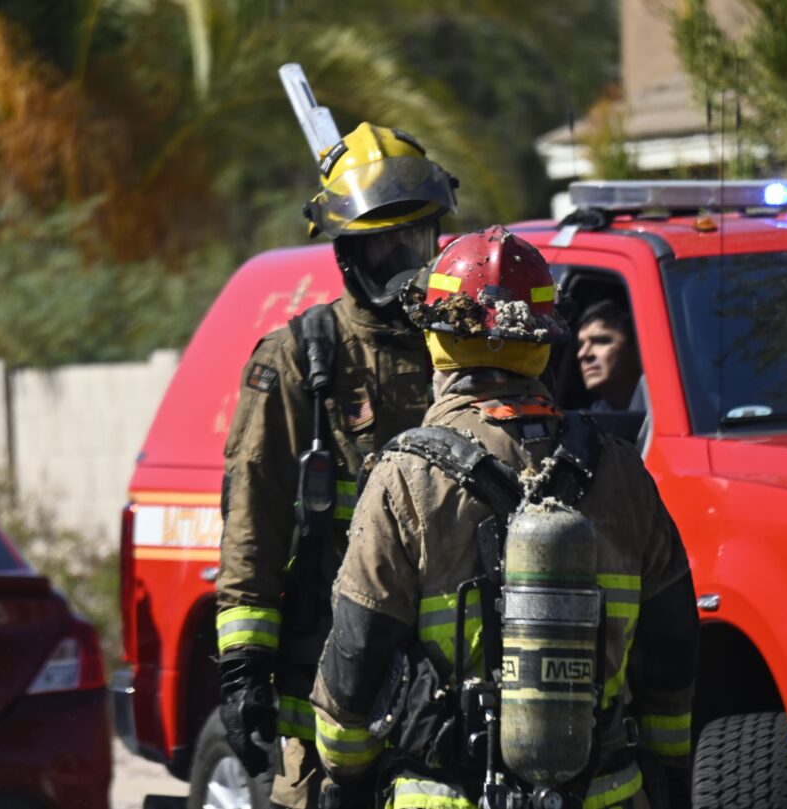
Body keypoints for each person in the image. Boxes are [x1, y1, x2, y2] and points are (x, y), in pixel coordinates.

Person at [310, 226, 700, 809]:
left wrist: (345, 773)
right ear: (543, 342)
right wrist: (668, 770)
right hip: (607, 794)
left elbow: (357, 651)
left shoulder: (406, 475)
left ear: (437, 340)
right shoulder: (622, 471)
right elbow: (671, 647)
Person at [214, 122, 457, 809]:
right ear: (347, 253)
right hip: (332, 676)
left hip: (450, 681)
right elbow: (253, 518)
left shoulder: (463, 348)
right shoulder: (301, 358)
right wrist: (244, 667)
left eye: (414, 240)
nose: (401, 261)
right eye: (381, 245)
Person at [576, 300, 644, 412]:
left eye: (600, 341)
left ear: (637, 349)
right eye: (581, 345)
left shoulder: (665, 406)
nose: (582, 354)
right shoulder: (595, 415)